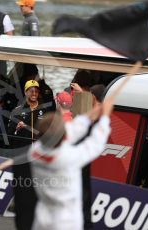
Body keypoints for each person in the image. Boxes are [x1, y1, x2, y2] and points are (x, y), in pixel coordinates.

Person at [29, 98, 113, 230]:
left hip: (42, 218)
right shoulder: (67, 158)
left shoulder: (34, 150)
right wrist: (105, 118)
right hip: (66, 222)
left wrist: (92, 113)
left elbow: (69, 130)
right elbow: (95, 144)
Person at [8, 80, 48, 230]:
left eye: (36, 91)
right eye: (31, 91)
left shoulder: (44, 111)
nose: (34, 94)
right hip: (22, 153)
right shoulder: (17, 110)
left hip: (39, 154)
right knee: (22, 182)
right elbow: (9, 133)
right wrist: (17, 129)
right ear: (25, 93)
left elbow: (47, 133)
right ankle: (16, 204)